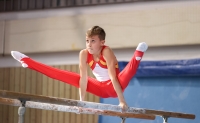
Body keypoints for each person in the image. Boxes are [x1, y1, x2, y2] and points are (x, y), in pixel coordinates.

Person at [11, 26, 148, 111]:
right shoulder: (83, 54)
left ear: (102, 42)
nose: (89, 44)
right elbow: (83, 79)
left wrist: (122, 101)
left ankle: (137, 55)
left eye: (93, 41)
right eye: (87, 41)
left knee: (128, 72)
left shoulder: (106, 51)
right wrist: (82, 102)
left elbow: (113, 77)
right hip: (100, 87)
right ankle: (28, 62)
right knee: (64, 75)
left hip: (116, 84)